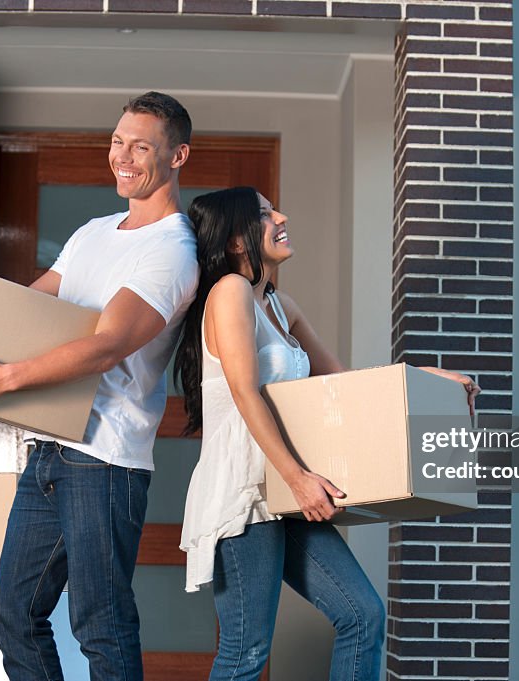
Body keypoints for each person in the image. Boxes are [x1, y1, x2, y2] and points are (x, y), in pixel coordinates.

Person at [0, 92, 198, 681]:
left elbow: (108, 343)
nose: (122, 157)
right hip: (50, 450)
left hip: (105, 461)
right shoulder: (93, 232)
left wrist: (3, 378)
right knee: (13, 613)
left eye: (141, 146)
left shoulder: (172, 251)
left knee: (100, 623)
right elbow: (23, 308)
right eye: (116, 141)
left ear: (178, 155)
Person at [173, 186, 479, 681]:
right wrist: (297, 479)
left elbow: (344, 385)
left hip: (292, 489)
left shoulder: (279, 305)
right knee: (246, 650)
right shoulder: (228, 293)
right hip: (249, 491)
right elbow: (246, 393)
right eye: (266, 213)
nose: (281, 216)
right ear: (235, 240)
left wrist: (424, 376)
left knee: (363, 616)